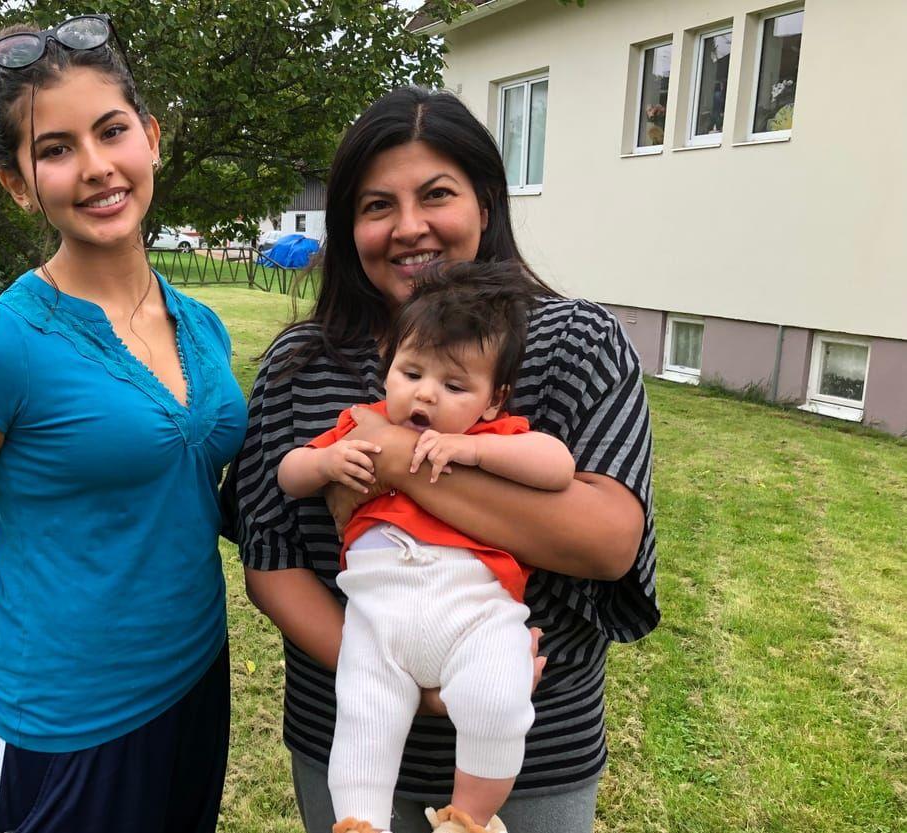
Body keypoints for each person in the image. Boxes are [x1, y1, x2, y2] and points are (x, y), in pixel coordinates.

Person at [222, 86, 659, 833]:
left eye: (436, 195)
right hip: (348, 736)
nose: (409, 228)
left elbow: (607, 541)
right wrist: (410, 681)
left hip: (532, 751)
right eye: (375, 206)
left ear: (485, 204)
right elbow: (269, 556)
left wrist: (391, 455)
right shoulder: (301, 362)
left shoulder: (574, 340)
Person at [0, 15, 247, 833]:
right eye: (55, 148)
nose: (96, 167)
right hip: (57, 731)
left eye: (111, 131)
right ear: (18, 183)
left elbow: (195, 491)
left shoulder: (202, 325)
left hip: (193, 684)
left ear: (150, 136)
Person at [277, 266, 576, 833]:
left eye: (455, 386)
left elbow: (557, 466)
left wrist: (474, 454)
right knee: (364, 719)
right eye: (411, 372)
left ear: (495, 400)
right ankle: (359, 822)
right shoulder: (359, 428)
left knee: (500, 702)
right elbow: (288, 474)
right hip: (376, 624)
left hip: (476, 617)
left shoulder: (494, 437)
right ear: (388, 367)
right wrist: (323, 464)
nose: (425, 393)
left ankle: (469, 819)